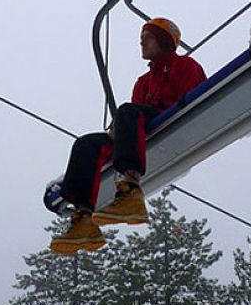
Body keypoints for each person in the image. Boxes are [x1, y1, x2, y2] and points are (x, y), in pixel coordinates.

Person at [49, 17, 206, 255]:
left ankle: (131, 186)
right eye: (141, 39)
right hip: (143, 125)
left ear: (163, 40)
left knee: (126, 110)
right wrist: (119, 129)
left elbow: (196, 97)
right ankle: (82, 217)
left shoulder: (185, 66)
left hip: (168, 116)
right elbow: (134, 114)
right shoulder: (143, 82)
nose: (141, 43)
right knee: (86, 144)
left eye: (148, 38)